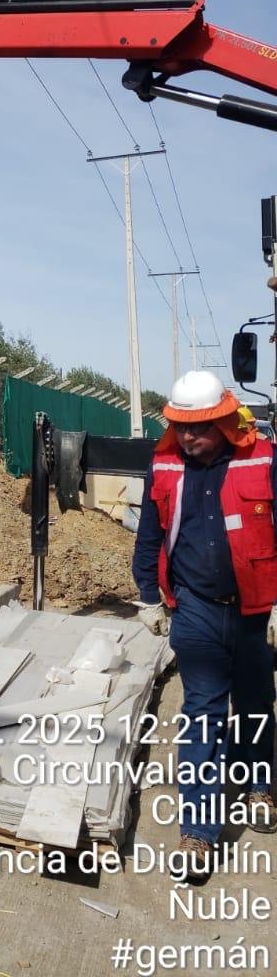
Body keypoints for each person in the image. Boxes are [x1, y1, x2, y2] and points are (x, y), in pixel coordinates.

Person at [133, 370, 277, 881]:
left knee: (256, 701)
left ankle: (259, 785)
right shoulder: (165, 465)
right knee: (202, 714)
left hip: (255, 610)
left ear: (222, 420)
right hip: (194, 608)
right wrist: (149, 598)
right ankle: (198, 832)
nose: (188, 437)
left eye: (199, 427)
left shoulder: (262, 458)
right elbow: (150, 532)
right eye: (181, 427)